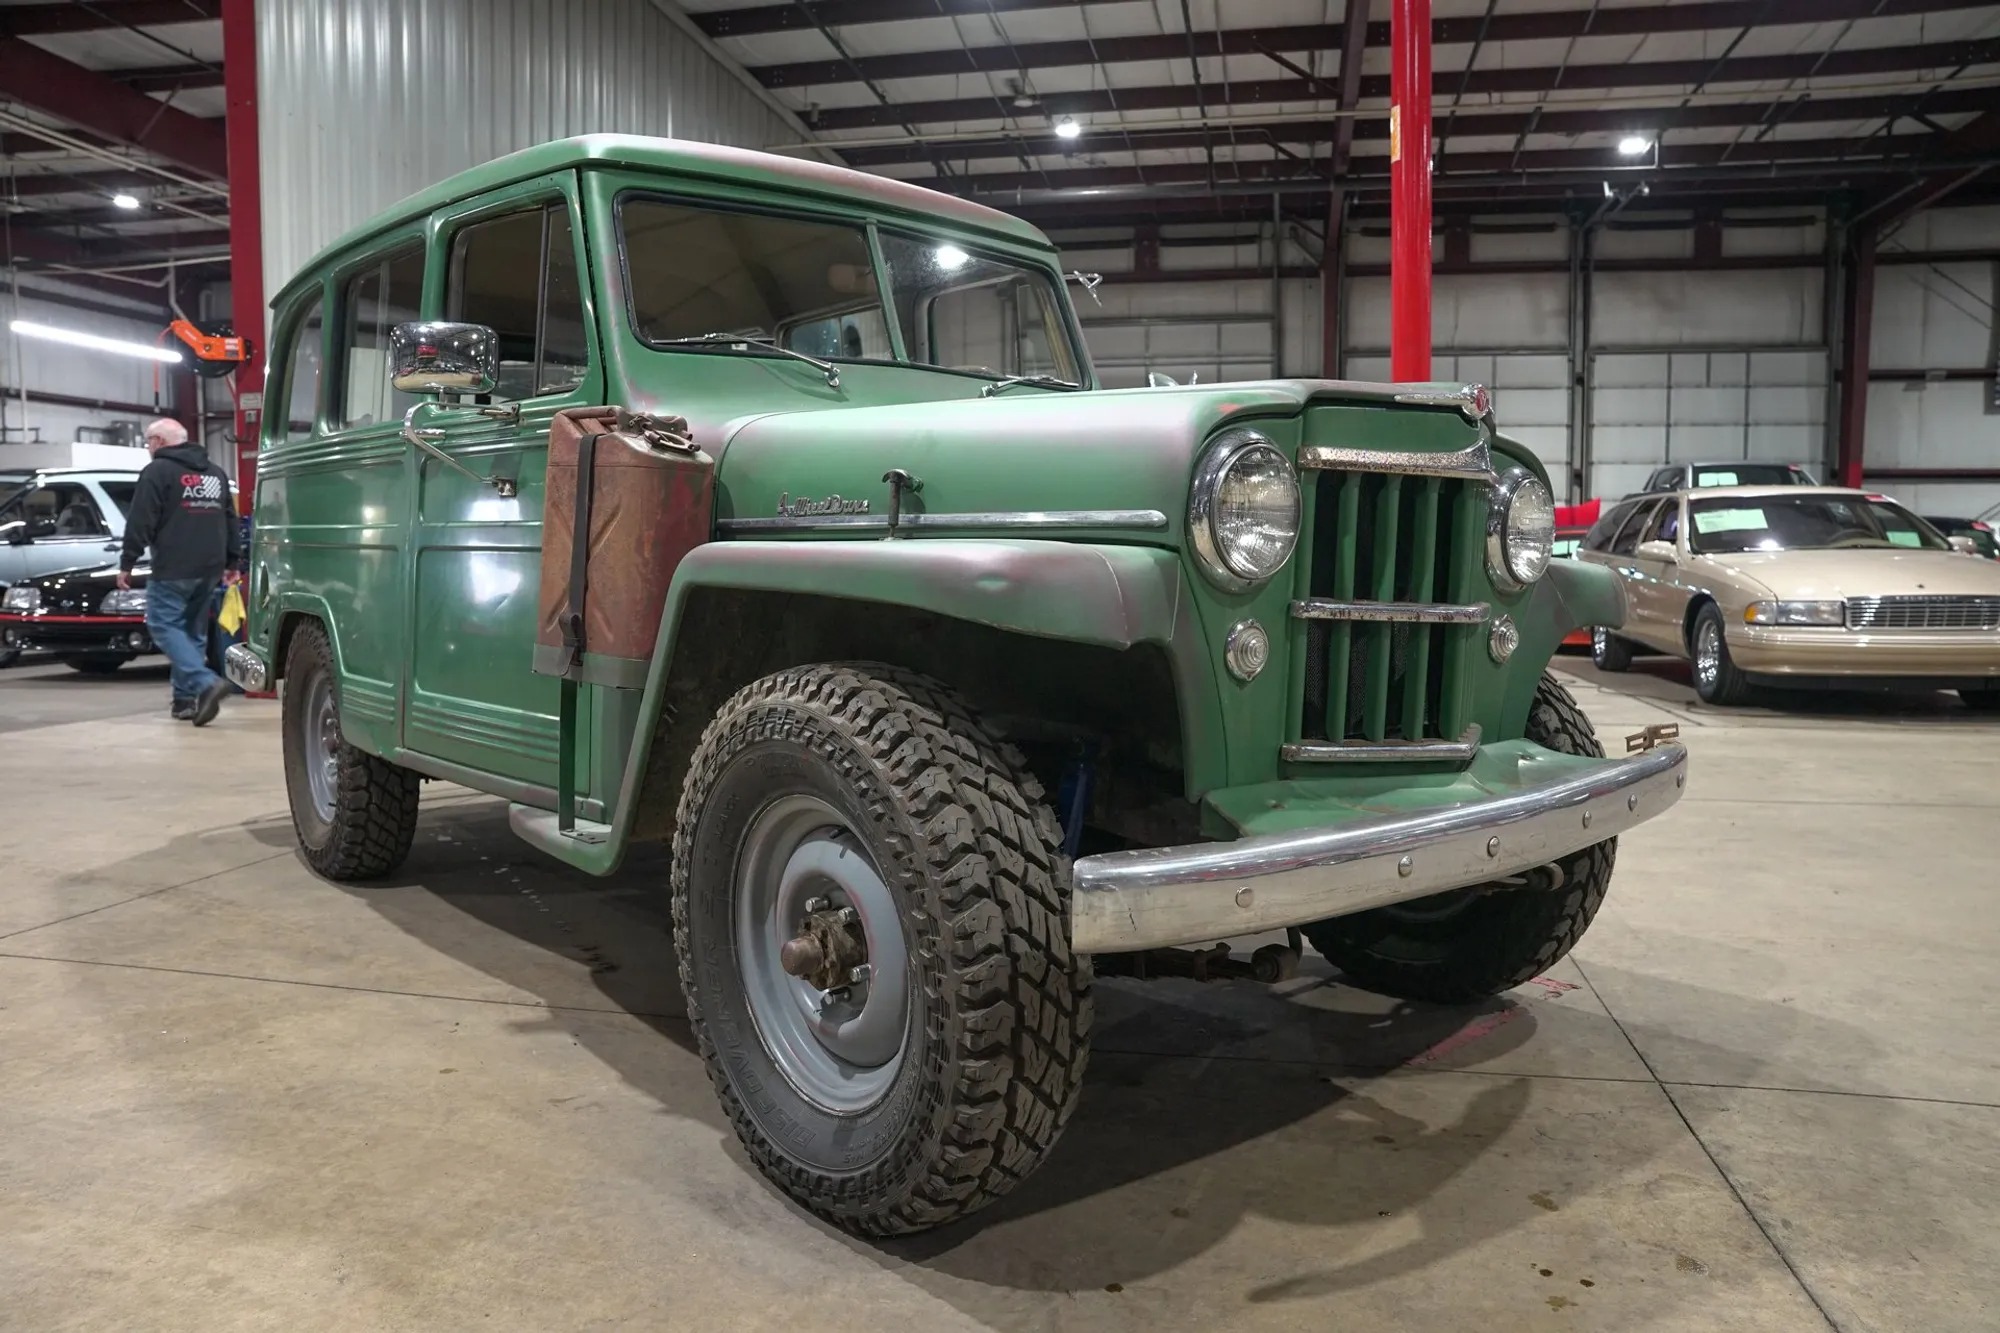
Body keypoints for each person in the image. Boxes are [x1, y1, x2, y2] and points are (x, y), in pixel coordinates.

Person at [118, 418, 242, 726]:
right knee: (191, 632)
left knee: (162, 625)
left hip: (174, 566)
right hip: (209, 567)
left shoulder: (158, 472)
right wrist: (232, 562)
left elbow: (140, 520)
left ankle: (205, 683)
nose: (148, 448)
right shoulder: (215, 473)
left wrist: (127, 562)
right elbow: (230, 519)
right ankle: (184, 701)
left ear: (159, 441)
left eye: (148, 442)